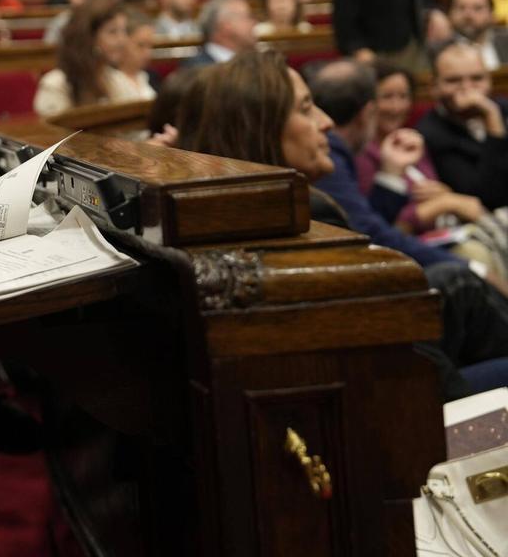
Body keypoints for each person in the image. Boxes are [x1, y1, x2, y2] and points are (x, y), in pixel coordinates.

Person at [181, 51, 508, 399]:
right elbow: (383, 345)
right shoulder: (310, 211)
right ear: (261, 129)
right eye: (306, 109)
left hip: (383, 356)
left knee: (456, 281)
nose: (325, 122)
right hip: (394, 397)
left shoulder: (227, 205)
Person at [354, 63, 491, 236]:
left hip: (447, 233)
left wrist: (444, 193)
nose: (397, 107)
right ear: (368, 103)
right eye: (387, 97)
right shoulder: (362, 153)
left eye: (403, 96)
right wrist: (447, 203)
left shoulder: (412, 140)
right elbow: (379, 223)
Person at [416, 39, 508, 212]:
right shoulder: (430, 132)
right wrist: (492, 120)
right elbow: (489, 197)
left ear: (490, 80)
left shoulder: (505, 108)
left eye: (477, 78)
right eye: (454, 81)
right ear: (434, 86)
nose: (468, 89)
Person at [34, 0, 129, 116]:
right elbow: (58, 133)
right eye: (112, 32)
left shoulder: (116, 79)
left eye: (124, 31)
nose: (122, 40)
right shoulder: (56, 85)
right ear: (89, 38)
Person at [181, 0, 257, 68]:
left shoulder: (253, 64)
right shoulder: (197, 69)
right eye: (247, 17)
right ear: (225, 25)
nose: (254, 23)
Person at [449, 0, 508, 69]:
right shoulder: (437, 51)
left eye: (477, 8)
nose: (468, 15)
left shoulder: (505, 42)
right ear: (450, 14)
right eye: (461, 8)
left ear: (492, 15)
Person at [115, 13, 158, 102]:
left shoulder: (152, 78)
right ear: (122, 42)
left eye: (150, 46)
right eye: (140, 45)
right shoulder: (109, 82)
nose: (148, 53)